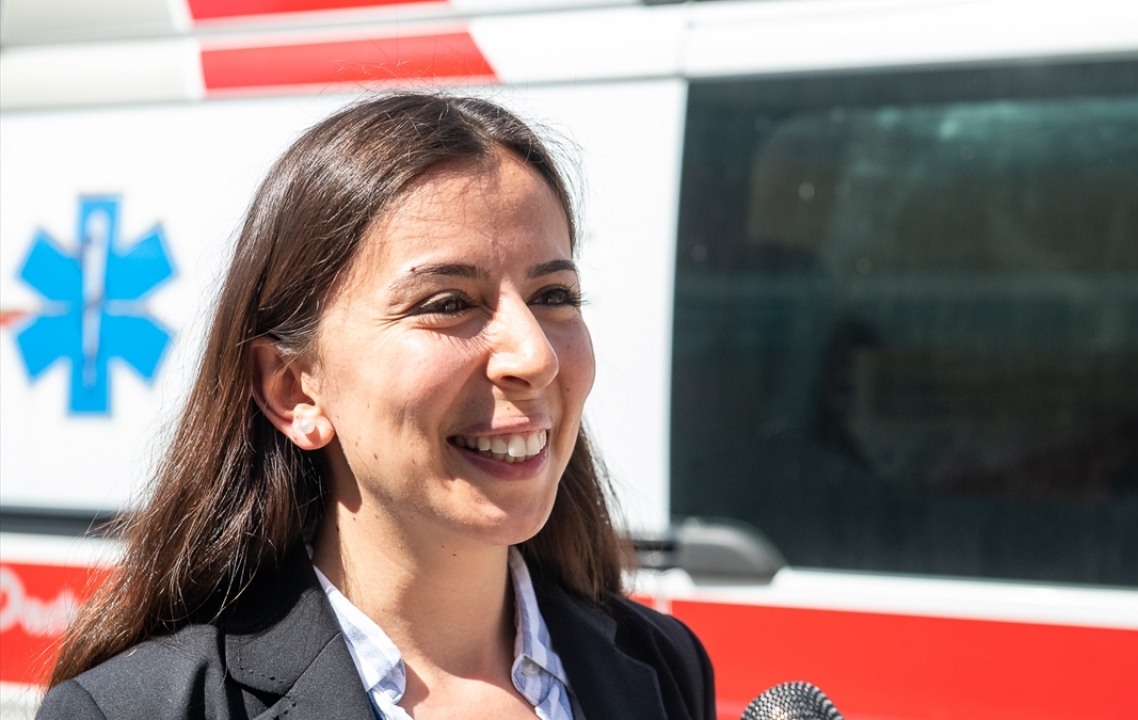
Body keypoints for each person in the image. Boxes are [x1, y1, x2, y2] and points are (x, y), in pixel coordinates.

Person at [37, 93, 715, 720]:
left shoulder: (661, 665)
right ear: (295, 388)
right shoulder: (141, 710)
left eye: (554, 296)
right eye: (448, 303)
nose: (534, 356)